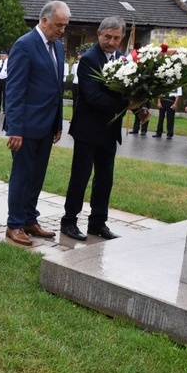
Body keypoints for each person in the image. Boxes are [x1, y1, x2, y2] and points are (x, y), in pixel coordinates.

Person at [4, 1, 70, 247]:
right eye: (58, 25)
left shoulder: (58, 47)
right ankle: (14, 224)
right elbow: (15, 90)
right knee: (22, 176)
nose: (61, 30)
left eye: (65, 26)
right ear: (44, 20)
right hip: (26, 127)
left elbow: (57, 87)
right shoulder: (24, 45)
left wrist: (58, 121)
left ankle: (30, 219)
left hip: (47, 125)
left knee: (37, 176)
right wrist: (15, 128)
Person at [60, 16, 130, 242]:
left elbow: (128, 90)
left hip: (109, 131)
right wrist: (126, 105)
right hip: (87, 130)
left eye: (116, 37)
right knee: (80, 177)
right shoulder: (89, 59)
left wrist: (140, 107)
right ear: (99, 34)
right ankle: (69, 221)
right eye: (107, 36)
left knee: (105, 179)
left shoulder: (122, 59)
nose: (111, 41)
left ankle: (98, 223)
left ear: (122, 38)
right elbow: (93, 97)